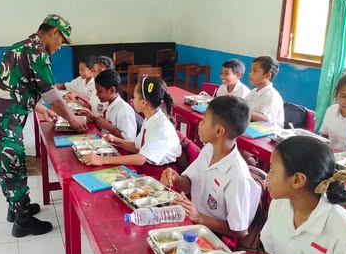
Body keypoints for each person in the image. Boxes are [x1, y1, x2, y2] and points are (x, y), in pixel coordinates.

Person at [0, 14, 87, 238]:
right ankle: (23, 222)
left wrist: (42, 109)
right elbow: (52, 95)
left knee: (6, 168)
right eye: (61, 40)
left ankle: (17, 208)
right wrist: (72, 120)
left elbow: (14, 89)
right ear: (54, 32)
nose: (60, 47)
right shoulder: (38, 53)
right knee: (14, 166)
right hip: (3, 122)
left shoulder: (18, 48)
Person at [161, 96, 261, 242]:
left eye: (204, 120)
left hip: (217, 237)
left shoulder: (237, 176)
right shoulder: (209, 149)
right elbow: (190, 184)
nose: (199, 124)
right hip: (194, 221)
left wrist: (200, 217)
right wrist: (175, 178)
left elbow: (240, 230)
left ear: (219, 131)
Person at [82, 76, 181, 180]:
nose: (132, 100)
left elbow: (141, 159)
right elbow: (138, 147)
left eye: (135, 97)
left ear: (143, 102)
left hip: (162, 175)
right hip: (148, 167)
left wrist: (102, 160)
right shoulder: (151, 118)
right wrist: (116, 140)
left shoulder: (161, 128)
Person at [79, 69, 137, 140]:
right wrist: (93, 118)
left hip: (116, 146)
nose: (96, 94)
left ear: (112, 90)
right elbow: (104, 124)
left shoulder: (124, 110)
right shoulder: (108, 104)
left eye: (99, 91)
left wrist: (110, 128)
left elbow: (129, 140)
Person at [245, 56, 284, 129]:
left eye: (255, 71)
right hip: (253, 128)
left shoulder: (272, 96)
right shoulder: (253, 92)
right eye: (250, 70)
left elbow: (265, 119)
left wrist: (242, 112)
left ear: (267, 75)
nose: (250, 74)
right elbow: (244, 106)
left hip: (269, 132)